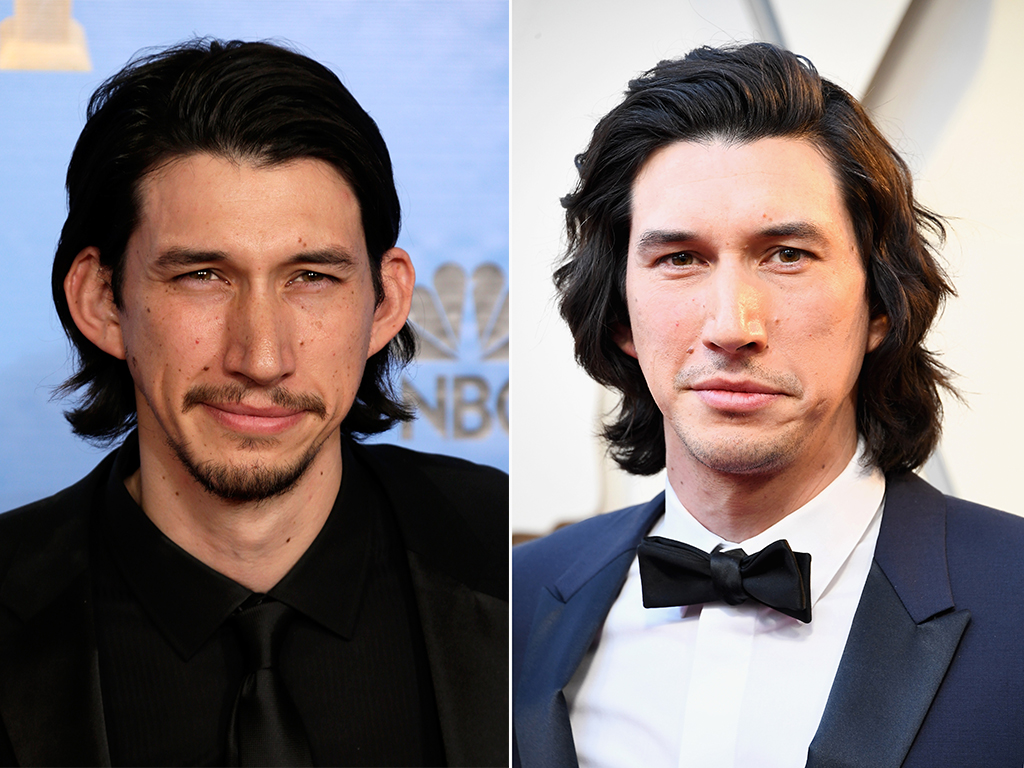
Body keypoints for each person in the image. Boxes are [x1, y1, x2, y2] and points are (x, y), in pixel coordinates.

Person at [512, 42, 1024, 768]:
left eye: (786, 255)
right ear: (620, 312)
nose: (731, 326)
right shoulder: (512, 604)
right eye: (679, 258)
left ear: (880, 301)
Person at [0, 39, 507, 767]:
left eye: (311, 277)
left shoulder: (511, 565)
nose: (262, 358)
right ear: (103, 300)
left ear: (387, 299)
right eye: (204, 275)